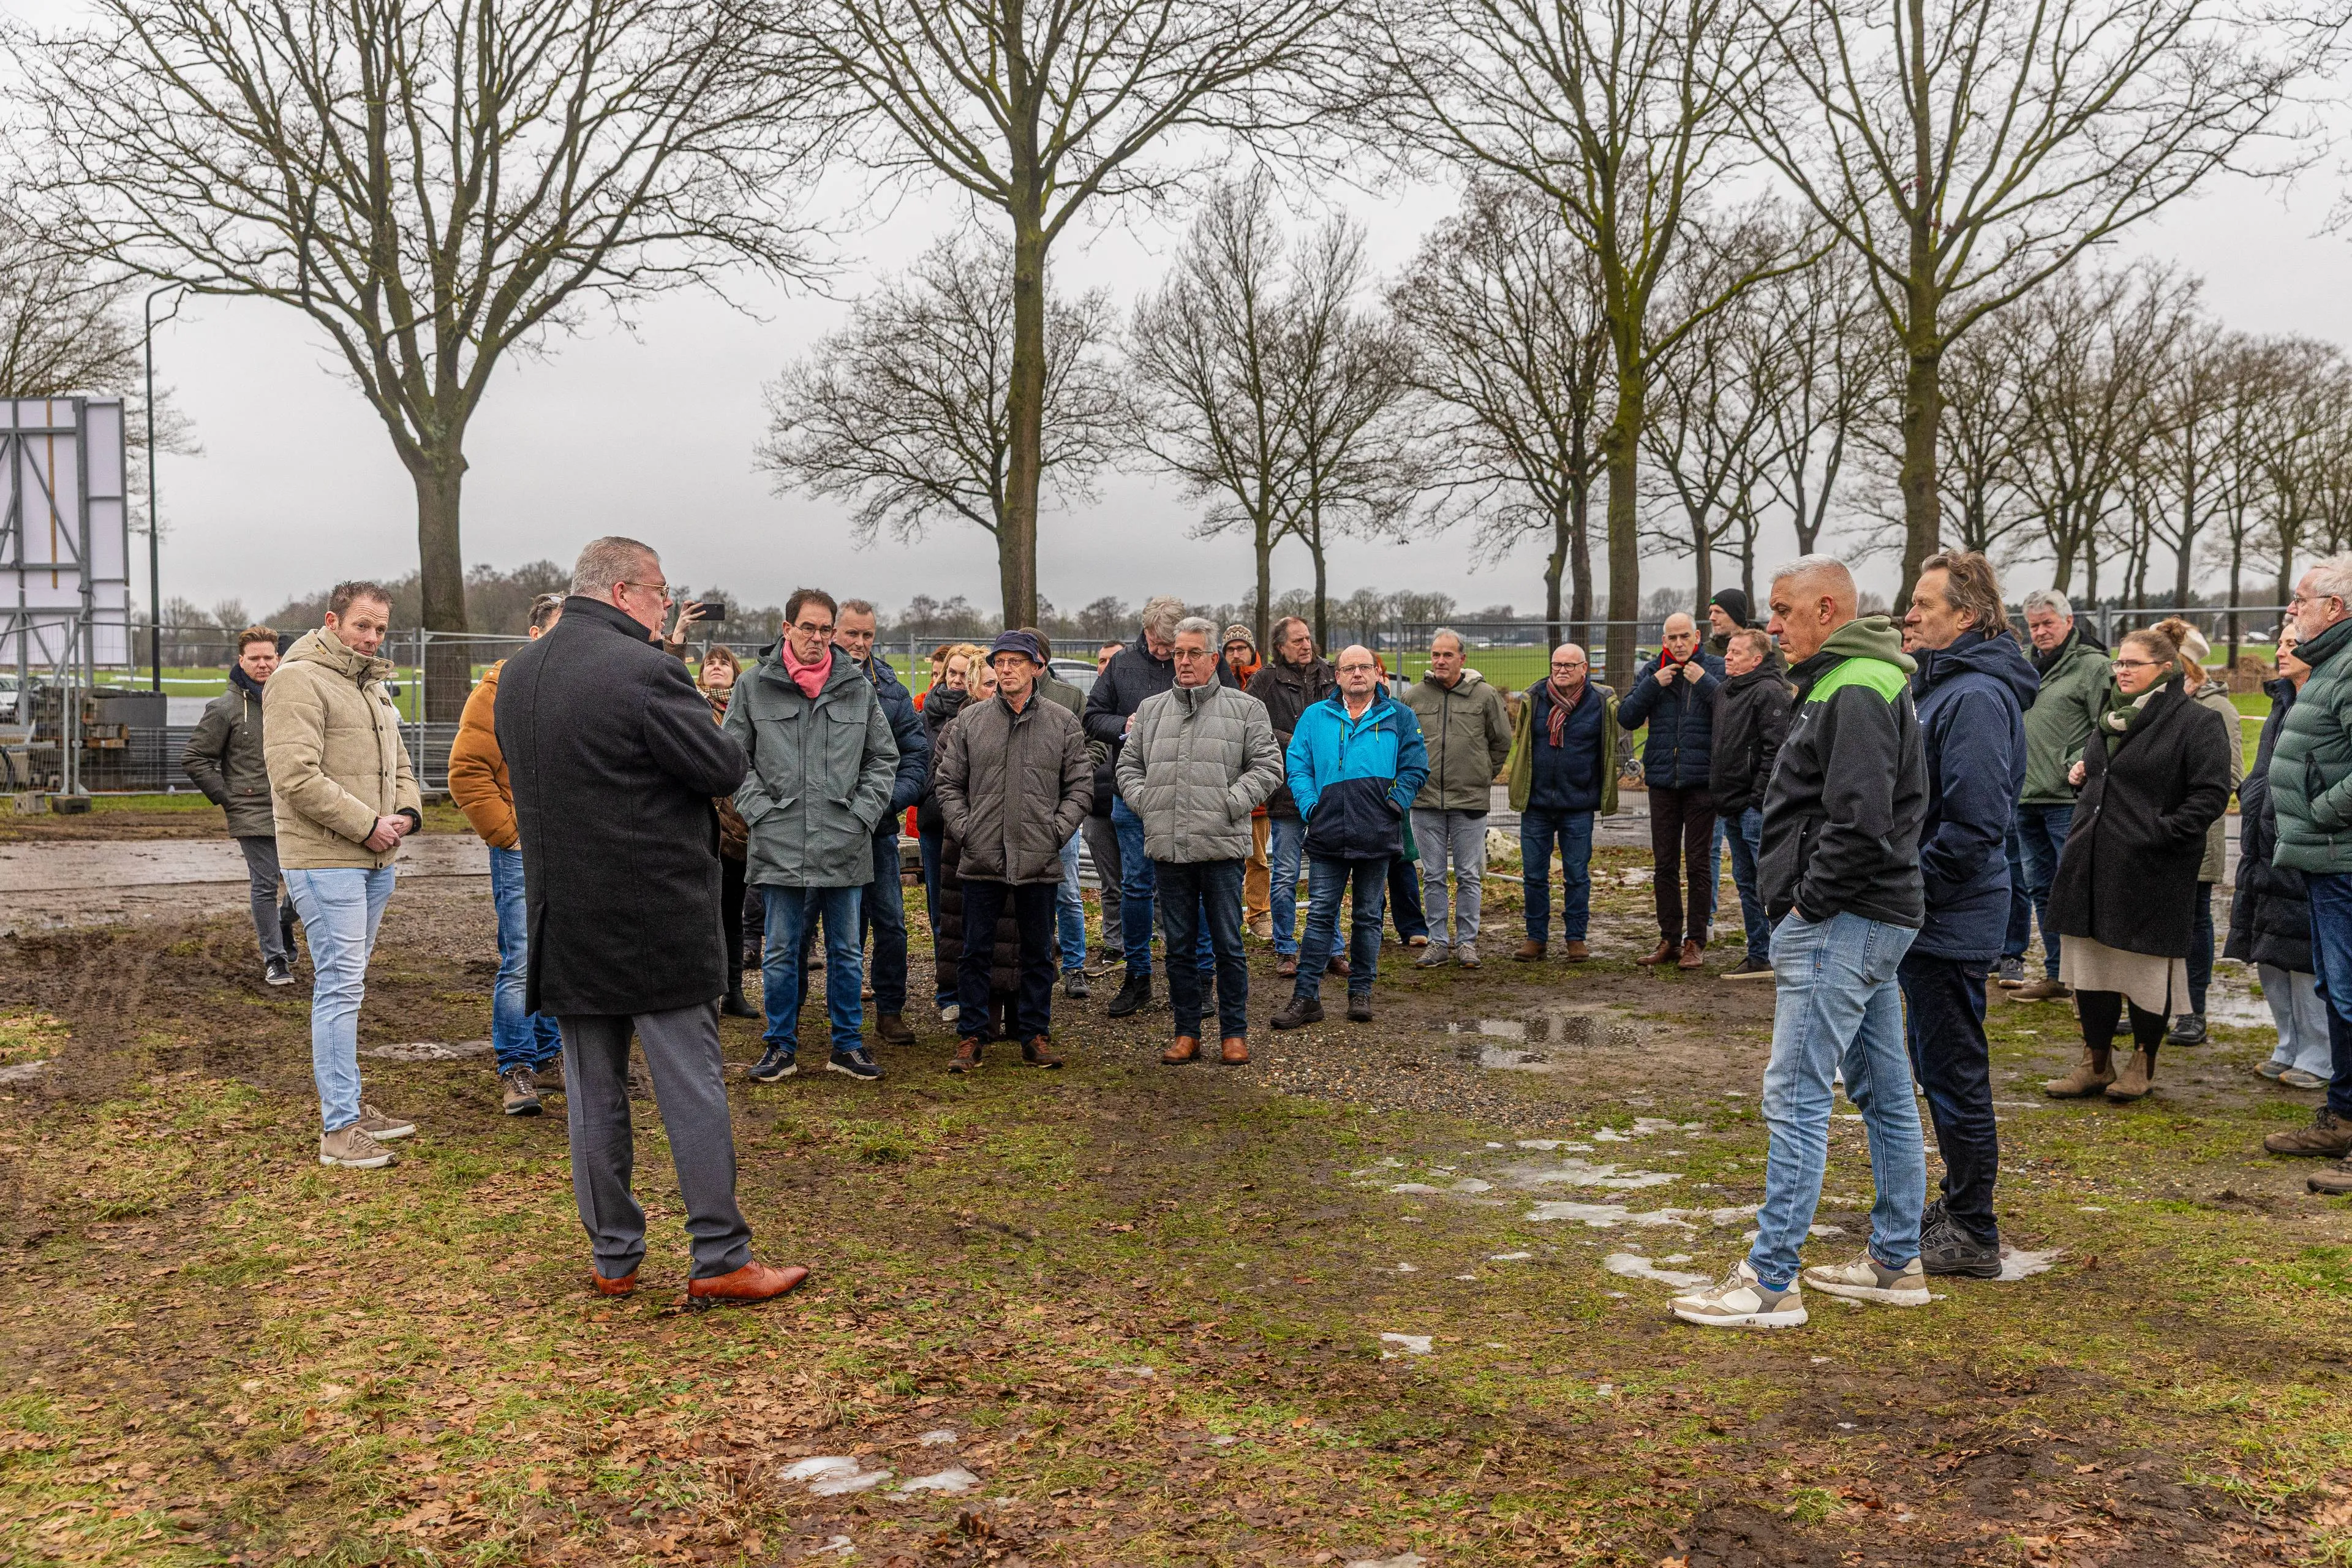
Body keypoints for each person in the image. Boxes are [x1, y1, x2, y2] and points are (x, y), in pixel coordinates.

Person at [499, 536, 805, 1305]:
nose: (668, 603)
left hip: (565, 916)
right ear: (623, 591)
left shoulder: (519, 673)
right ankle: (721, 1255)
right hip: (657, 916)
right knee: (690, 1089)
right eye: (660, 590)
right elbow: (720, 767)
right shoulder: (645, 669)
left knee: (591, 1095)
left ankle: (613, 1256)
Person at [1670, 556, 1930, 1329]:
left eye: (1783, 611)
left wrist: (1806, 908)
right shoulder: (1854, 679)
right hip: (1869, 915)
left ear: (1827, 609)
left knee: (1795, 1094)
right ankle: (1895, 1260)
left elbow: (1859, 819)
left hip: (1844, 920)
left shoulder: (1855, 687)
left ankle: (1770, 1281)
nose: (1771, 625)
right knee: (1883, 1089)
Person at [1896, 552, 2037, 1276]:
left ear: (1968, 616)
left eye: (1924, 604)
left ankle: (1974, 1229)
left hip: (1950, 917)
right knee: (1936, 1063)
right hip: (1936, 915)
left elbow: (1975, 824)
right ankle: (1956, 1203)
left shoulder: (1976, 696)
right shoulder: (1946, 686)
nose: (1909, 614)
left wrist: (1910, 889)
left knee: (1954, 1071)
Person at [263, 582, 423, 1170]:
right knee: (339, 987)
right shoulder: (297, 680)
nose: (372, 637)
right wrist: (366, 825)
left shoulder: (370, 684)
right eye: (362, 625)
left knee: (348, 986)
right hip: (325, 859)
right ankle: (338, 1130)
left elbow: (399, 762)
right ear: (332, 621)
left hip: (375, 858)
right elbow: (294, 775)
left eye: (380, 628)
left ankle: (349, 1106)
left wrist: (405, 813)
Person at [2040, 625, 2231, 1103]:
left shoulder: (2196, 722)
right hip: (2092, 862)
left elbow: (2210, 795)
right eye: (2119, 662)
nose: (2122, 671)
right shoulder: (2110, 718)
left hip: (2151, 869)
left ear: (2165, 669)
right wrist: (2083, 781)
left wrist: (2159, 834)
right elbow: (2106, 782)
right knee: (2092, 967)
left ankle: (2142, 1062)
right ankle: (2095, 1062)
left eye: (2133, 664)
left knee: (2144, 971)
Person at [725, 589, 900, 1084]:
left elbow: (883, 757)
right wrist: (761, 813)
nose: (818, 638)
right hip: (779, 841)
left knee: (846, 950)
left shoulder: (856, 688)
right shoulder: (754, 686)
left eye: (825, 629)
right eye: (808, 627)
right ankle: (780, 1045)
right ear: (787, 629)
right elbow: (733, 759)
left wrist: (862, 814)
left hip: (844, 839)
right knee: (781, 950)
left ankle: (847, 1044)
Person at [1118, 617, 1283, 1065]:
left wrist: (1231, 803)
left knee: (1228, 944)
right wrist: (1149, 802)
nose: (1185, 661)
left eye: (1194, 653)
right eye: (1179, 653)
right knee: (1178, 946)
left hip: (1221, 848)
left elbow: (1269, 767)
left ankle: (1234, 1033)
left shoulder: (1245, 709)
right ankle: (1187, 1031)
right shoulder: (1151, 711)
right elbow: (1127, 767)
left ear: (1213, 659)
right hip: (1169, 848)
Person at [934, 631, 1093, 1072]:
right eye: (999, 662)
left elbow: (1080, 786)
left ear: (1036, 667)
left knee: (1038, 951)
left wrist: (1054, 832)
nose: (1005, 670)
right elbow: (947, 783)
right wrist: (968, 831)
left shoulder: (1062, 722)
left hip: (1038, 858)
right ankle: (971, 1036)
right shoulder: (971, 722)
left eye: (1015, 662)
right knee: (975, 951)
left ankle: (1035, 1034)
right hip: (981, 857)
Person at [449, 592, 571, 1116]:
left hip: (571, 846)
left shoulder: (579, 691)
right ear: (534, 634)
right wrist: (509, 835)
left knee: (559, 955)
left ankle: (551, 1054)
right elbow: (467, 771)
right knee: (522, 958)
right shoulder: (497, 691)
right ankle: (516, 1065)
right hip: (522, 849)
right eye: (559, 630)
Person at [1085, 597, 1237, 1018]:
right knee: (1135, 887)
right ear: (1146, 631)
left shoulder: (1207, 662)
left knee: (1198, 887)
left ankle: (1200, 978)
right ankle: (1137, 975)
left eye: (1170, 646)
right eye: (1155, 643)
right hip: (1136, 797)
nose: (1163, 652)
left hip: (1197, 797)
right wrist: (1125, 726)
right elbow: (1093, 716)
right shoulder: (1122, 665)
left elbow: (1234, 714)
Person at [1270, 646, 1430, 1030]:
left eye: (1364, 667)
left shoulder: (1400, 717)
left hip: (1377, 832)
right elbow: (1298, 765)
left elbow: (1415, 766)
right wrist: (1311, 806)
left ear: (1376, 673)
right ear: (1337, 676)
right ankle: (1306, 998)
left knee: (1368, 916)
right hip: (1328, 832)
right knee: (1321, 914)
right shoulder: (1315, 717)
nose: (1357, 673)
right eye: (1349, 668)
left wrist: (1395, 803)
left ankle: (1361, 992)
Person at [2261, 557, 2352, 1180]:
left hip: (2342, 859)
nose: (2292, 610)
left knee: (2349, 996)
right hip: (2326, 861)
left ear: (2335, 608)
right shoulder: (2331, 663)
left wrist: (2320, 812)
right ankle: (2342, 1118)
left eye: (2301, 600)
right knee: (2338, 994)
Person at [2229, 627, 2330, 1088]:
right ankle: (2288, 1043)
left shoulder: (2330, 697)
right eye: (2280, 642)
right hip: (2264, 842)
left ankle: (2320, 1054)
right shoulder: (2281, 699)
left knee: (2303, 951)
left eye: (2293, 643)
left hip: (2308, 844)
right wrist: (2252, 794)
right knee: (2269, 946)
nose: (2281, 650)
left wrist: (2312, 815)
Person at [835, 600, 932, 1044]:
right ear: (834, 632)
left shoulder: (890, 689)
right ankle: (839, 1010)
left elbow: (916, 754)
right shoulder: (812, 683)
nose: (859, 643)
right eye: (852, 634)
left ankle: (890, 1010)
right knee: (838, 926)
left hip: (877, 828)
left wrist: (888, 801)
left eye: (867, 635)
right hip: (826, 827)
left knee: (891, 922)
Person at [2006, 590, 2108, 1000]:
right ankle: (2057, 975)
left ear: (2068, 621)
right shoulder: (2023, 666)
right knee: (2041, 889)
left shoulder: (2092, 667)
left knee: (2077, 889)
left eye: (2048, 623)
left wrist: (2077, 761)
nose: (2041, 632)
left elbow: (2108, 725)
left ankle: (2091, 980)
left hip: (2069, 799)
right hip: (2026, 796)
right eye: (2034, 625)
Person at [183, 624, 296, 987]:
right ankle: (275, 959)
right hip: (251, 811)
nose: (263, 664)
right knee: (265, 884)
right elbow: (195, 758)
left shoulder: (294, 700)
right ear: (241, 660)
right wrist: (227, 797)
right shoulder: (225, 708)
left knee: (304, 883)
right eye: (255, 658)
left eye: (269, 657)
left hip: (297, 807)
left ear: (278, 658)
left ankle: (283, 922)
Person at [2150, 618, 2245, 1047]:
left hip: (2195, 834)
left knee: (2194, 920)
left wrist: (2179, 808)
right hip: (2150, 832)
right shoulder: (2149, 705)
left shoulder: (2217, 709)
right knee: (2152, 918)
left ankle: (2194, 1011)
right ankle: (2151, 1006)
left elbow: (2231, 774)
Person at [1400, 628, 1515, 968]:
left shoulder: (1485, 696)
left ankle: (1467, 943)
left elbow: (1502, 742)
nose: (1440, 661)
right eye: (1436, 654)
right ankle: (1437, 942)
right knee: (1433, 875)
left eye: (1447, 655)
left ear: (1462, 659)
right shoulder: (1413, 698)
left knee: (1468, 874)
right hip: (1425, 802)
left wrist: (1481, 775)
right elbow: (1400, 744)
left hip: (1469, 802)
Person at [1618, 612, 1725, 969]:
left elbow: (1731, 710)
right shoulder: (1652, 672)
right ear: (1664, 641)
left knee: (1698, 863)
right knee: (1664, 863)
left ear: (1697, 637)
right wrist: (1653, 685)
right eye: (1672, 638)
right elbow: (1627, 717)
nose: (1679, 644)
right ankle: (1669, 938)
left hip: (1701, 781)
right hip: (1663, 780)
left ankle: (1695, 941)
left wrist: (1705, 682)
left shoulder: (1715, 669)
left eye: (1685, 637)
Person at [1506, 643, 1617, 963]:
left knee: (1577, 875)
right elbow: (1521, 741)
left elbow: (1607, 749)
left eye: (1569, 665)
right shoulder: (1535, 698)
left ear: (1584, 669)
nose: (1562, 671)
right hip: (1536, 804)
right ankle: (1536, 938)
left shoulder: (1600, 702)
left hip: (1578, 804)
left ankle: (1576, 938)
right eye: (1557, 665)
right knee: (1534, 875)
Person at [1248, 617, 1336, 979]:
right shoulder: (1265, 681)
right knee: (1285, 873)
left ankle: (1332, 948)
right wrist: (1296, 740)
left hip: (1329, 789)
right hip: (1285, 792)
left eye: (1308, 639)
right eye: (1297, 641)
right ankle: (1285, 947)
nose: (1305, 645)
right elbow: (1251, 725)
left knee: (1328, 873)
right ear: (1280, 646)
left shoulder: (1330, 675)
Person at [1708, 628, 1792, 981]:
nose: (1727, 657)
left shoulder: (1770, 691)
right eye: (1728, 651)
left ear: (1757, 659)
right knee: (1745, 882)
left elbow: (1777, 749)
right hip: (1730, 805)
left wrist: (1757, 799)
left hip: (1755, 809)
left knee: (1769, 883)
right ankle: (1759, 955)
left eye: (1736, 653)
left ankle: (1786, 956)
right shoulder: (1725, 691)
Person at [689, 644, 758, 1020]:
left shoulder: (745, 710)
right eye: (710, 663)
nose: (716, 667)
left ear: (735, 672)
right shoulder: (692, 708)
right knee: (700, 918)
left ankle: (734, 992)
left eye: (724, 663)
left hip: (736, 833)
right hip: (698, 833)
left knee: (732, 915)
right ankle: (700, 998)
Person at [1026, 629, 1095, 1000]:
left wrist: (1072, 776)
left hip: (1059, 812)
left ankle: (1074, 966)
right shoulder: (1002, 698)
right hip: (1018, 813)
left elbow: (1093, 746)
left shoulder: (1070, 699)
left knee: (1067, 891)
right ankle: (1036, 962)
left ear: (1042, 661)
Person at [916, 645, 978, 1017]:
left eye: (963, 674)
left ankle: (978, 987)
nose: (955, 680)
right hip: (935, 822)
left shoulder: (982, 713)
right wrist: (930, 791)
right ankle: (949, 991)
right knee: (942, 911)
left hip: (974, 826)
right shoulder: (926, 713)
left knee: (976, 909)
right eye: (951, 673)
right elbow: (917, 760)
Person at [1222, 624, 1275, 940]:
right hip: (1222, 789)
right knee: (1224, 860)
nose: (1236, 654)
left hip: (1257, 795)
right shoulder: (1215, 684)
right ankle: (1227, 917)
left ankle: (1259, 913)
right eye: (1230, 649)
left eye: (1242, 648)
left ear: (1252, 651)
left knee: (1257, 858)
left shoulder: (1265, 683)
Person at [1079, 638, 1128, 962]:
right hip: (1097, 808)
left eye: (1113, 660)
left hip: (1135, 806)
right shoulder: (1087, 710)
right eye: (1101, 660)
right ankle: (1114, 943)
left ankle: (1157, 936)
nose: (1106, 666)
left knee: (1144, 880)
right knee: (1110, 883)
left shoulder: (1137, 704)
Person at [1705, 588, 1755, 658]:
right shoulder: (1703, 653)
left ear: (1736, 616)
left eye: (1718, 612)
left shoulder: (1762, 651)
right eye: (1711, 612)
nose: (1711, 618)